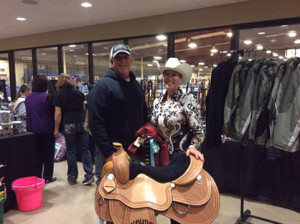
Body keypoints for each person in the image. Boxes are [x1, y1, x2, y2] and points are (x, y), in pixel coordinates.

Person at [150, 57, 205, 224]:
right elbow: (154, 127)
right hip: (159, 158)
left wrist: (194, 146)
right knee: (161, 200)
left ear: (180, 78)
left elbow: (199, 131)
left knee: (178, 204)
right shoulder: (157, 101)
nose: (169, 78)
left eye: (174, 74)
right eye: (166, 74)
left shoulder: (188, 100)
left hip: (180, 159)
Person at [88, 43, 148, 175]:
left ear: (131, 60)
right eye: (118, 58)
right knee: (109, 188)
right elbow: (95, 123)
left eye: (125, 57)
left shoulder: (136, 86)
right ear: (112, 61)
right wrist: (108, 153)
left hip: (135, 149)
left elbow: (143, 114)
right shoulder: (102, 88)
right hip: (113, 151)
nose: (122, 61)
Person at [53, 73, 94, 186]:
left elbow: (58, 113)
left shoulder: (58, 95)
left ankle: (72, 176)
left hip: (68, 124)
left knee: (71, 150)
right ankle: (89, 175)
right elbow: (84, 108)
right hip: (81, 122)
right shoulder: (79, 93)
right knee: (85, 149)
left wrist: (56, 129)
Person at [25, 75, 56, 184]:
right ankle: (48, 177)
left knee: (37, 156)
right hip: (47, 129)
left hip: (32, 130)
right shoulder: (47, 97)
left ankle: (37, 178)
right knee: (48, 155)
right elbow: (53, 113)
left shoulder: (28, 98)